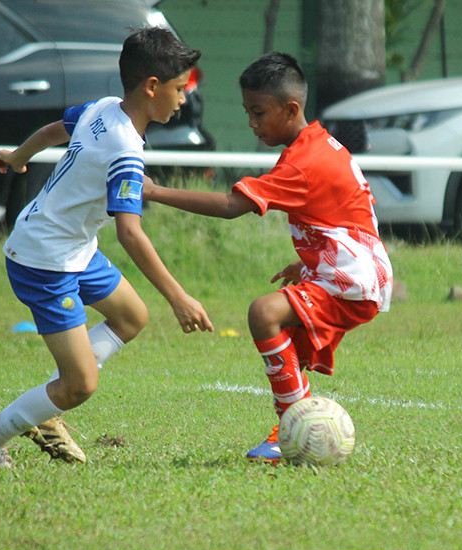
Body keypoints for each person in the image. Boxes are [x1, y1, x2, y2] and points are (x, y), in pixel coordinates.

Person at [0, 27, 213, 468]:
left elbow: (57, 129)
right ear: (152, 87)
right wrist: (179, 296)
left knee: (131, 316)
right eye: (179, 89)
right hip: (45, 262)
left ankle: (47, 408)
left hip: (70, 246)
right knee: (81, 386)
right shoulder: (125, 151)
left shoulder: (105, 108)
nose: (183, 99)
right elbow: (131, 233)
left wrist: (19, 157)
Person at [143, 52, 393, 463]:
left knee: (264, 313)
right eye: (247, 112)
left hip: (353, 279)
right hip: (356, 271)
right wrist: (312, 262)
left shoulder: (303, 162)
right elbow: (348, 216)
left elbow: (230, 205)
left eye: (258, 112)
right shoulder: (317, 144)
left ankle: (289, 427)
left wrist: (154, 192)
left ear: (291, 108)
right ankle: (296, 424)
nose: (251, 123)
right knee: (285, 334)